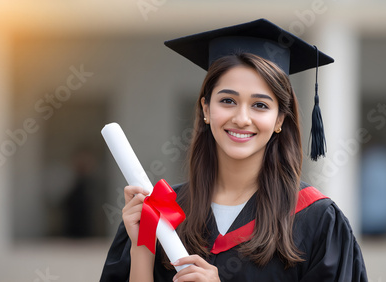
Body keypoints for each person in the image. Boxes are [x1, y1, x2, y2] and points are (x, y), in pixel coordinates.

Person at [100, 19, 368, 282]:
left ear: (279, 120)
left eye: (260, 105)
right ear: (206, 109)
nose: (241, 118)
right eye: (227, 100)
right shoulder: (163, 211)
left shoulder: (316, 220)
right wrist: (141, 248)